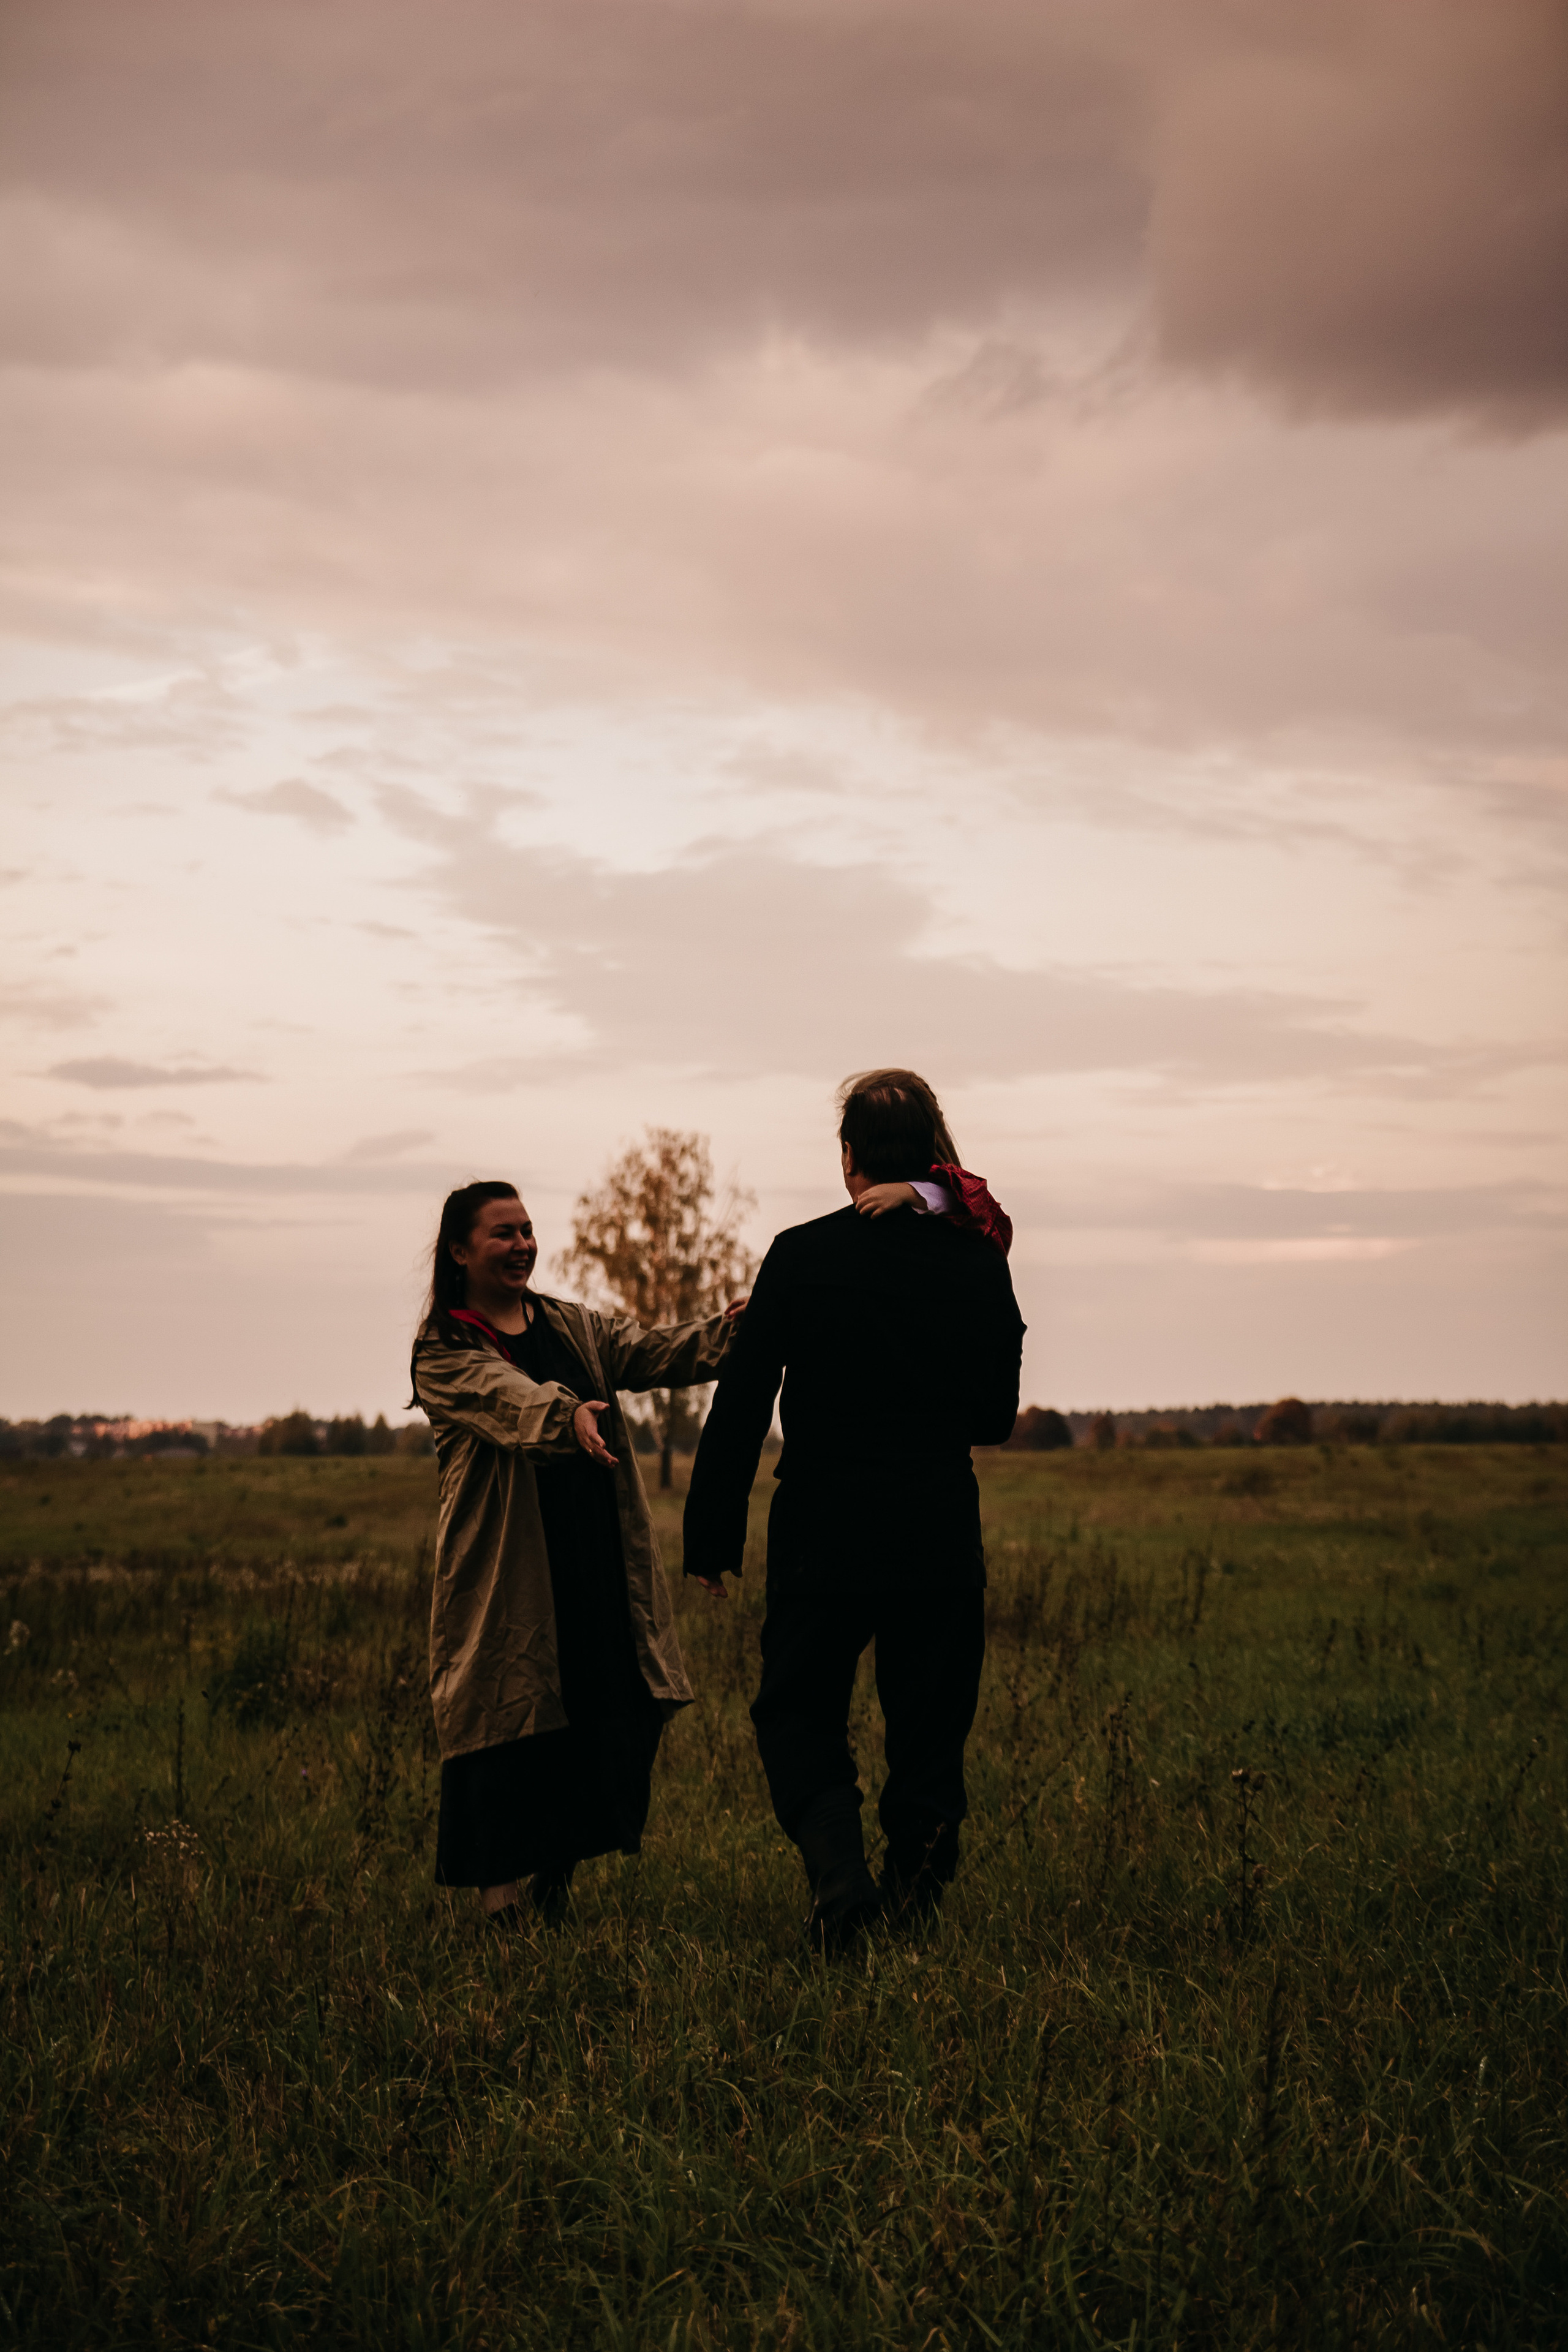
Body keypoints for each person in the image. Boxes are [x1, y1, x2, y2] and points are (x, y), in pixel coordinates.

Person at [682, 1069, 1025, 1949]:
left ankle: (841, 1880)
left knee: (796, 1711)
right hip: (937, 1528)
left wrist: (711, 1535)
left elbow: (744, 1400)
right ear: (936, 1155)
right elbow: (993, 1419)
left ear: (846, 1161)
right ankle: (912, 1903)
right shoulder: (977, 1260)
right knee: (929, 1724)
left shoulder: (800, 1254)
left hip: (822, 1531)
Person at [411, 1180, 742, 1925]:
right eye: (503, 1234)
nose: (523, 1244)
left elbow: (651, 1350)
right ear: (460, 1251)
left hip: (594, 1557)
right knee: (505, 1725)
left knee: (612, 1716)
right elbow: (506, 1398)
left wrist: (731, 1332)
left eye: (528, 1230)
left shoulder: (570, 1325)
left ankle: (551, 1889)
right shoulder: (445, 1349)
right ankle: (501, 1911)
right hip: (508, 1572)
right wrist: (570, 1416)